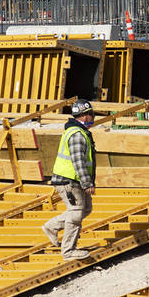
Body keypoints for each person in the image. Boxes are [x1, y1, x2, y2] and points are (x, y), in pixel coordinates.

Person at [43, 99, 99, 261]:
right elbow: (78, 161)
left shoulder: (79, 132)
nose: (93, 117)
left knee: (86, 208)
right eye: (91, 114)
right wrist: (87, 183)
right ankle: (68, 251)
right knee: (76, 214)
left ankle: (52, 226)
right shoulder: (76, 135)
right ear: (85, 115)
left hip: (73, 180)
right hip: (69, 181)